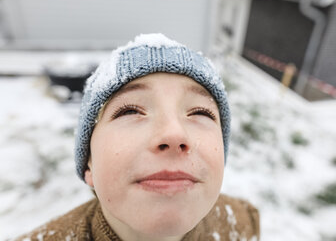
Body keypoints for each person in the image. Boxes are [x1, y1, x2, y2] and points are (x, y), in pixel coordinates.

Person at [16, 33, 260, 241]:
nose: (174, 134)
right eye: (130, 110)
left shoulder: (243, 223)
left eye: (200, 112)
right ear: (89, 163)